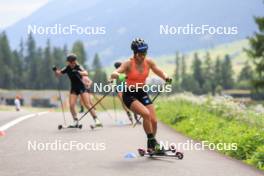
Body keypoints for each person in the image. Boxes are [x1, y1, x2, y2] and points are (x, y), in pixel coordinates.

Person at [110, 38, 171, 152]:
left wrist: (166, 77)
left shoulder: (149, 62)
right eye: (140, 54)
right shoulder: (128, 64)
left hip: (142, 93)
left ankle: (151, 145)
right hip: (129, 95)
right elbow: (114, 73)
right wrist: (120, 76)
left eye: (145, 53)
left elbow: (159, 71)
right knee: (145, 114)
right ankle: (153, 141)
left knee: (154, 120)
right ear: (135, 53)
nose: (143, 56)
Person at [54, 53, 102, 127]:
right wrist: (55, 70)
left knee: (87, 104)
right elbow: (59, 73)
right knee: (71, 105)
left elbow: (86, 73)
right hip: (74, 88)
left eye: (71, 62)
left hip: (82, 87)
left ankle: (96, 120)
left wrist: (78, 72)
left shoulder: (78, 67)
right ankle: (75, 121)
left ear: (74, 61)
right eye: (69, 62)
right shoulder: (67, 68)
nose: (70, 63)